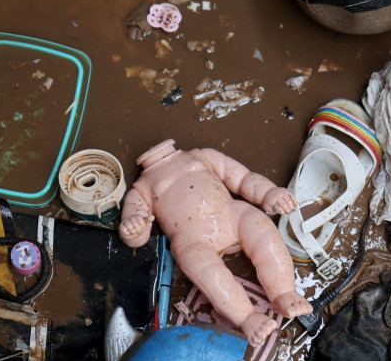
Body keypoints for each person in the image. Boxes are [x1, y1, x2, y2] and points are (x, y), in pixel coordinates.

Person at [119, 140, 311, 343]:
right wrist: (133, 229)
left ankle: (284, 292)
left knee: (262, 232)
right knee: (206, 271)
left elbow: (241, 177)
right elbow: (137, 235)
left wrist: (267, 192)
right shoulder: (140, 189)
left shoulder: (200, 155)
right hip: (191, 237)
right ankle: (246, 317)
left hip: (229, 212)